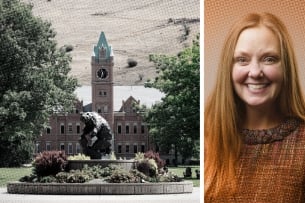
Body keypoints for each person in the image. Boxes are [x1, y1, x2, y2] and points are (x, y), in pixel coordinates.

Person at [204, 12, 305, 202]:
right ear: (229, 67)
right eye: (242, 59)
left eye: (269, 59)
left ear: (286, 67)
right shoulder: (207, 137)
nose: (255, 72)